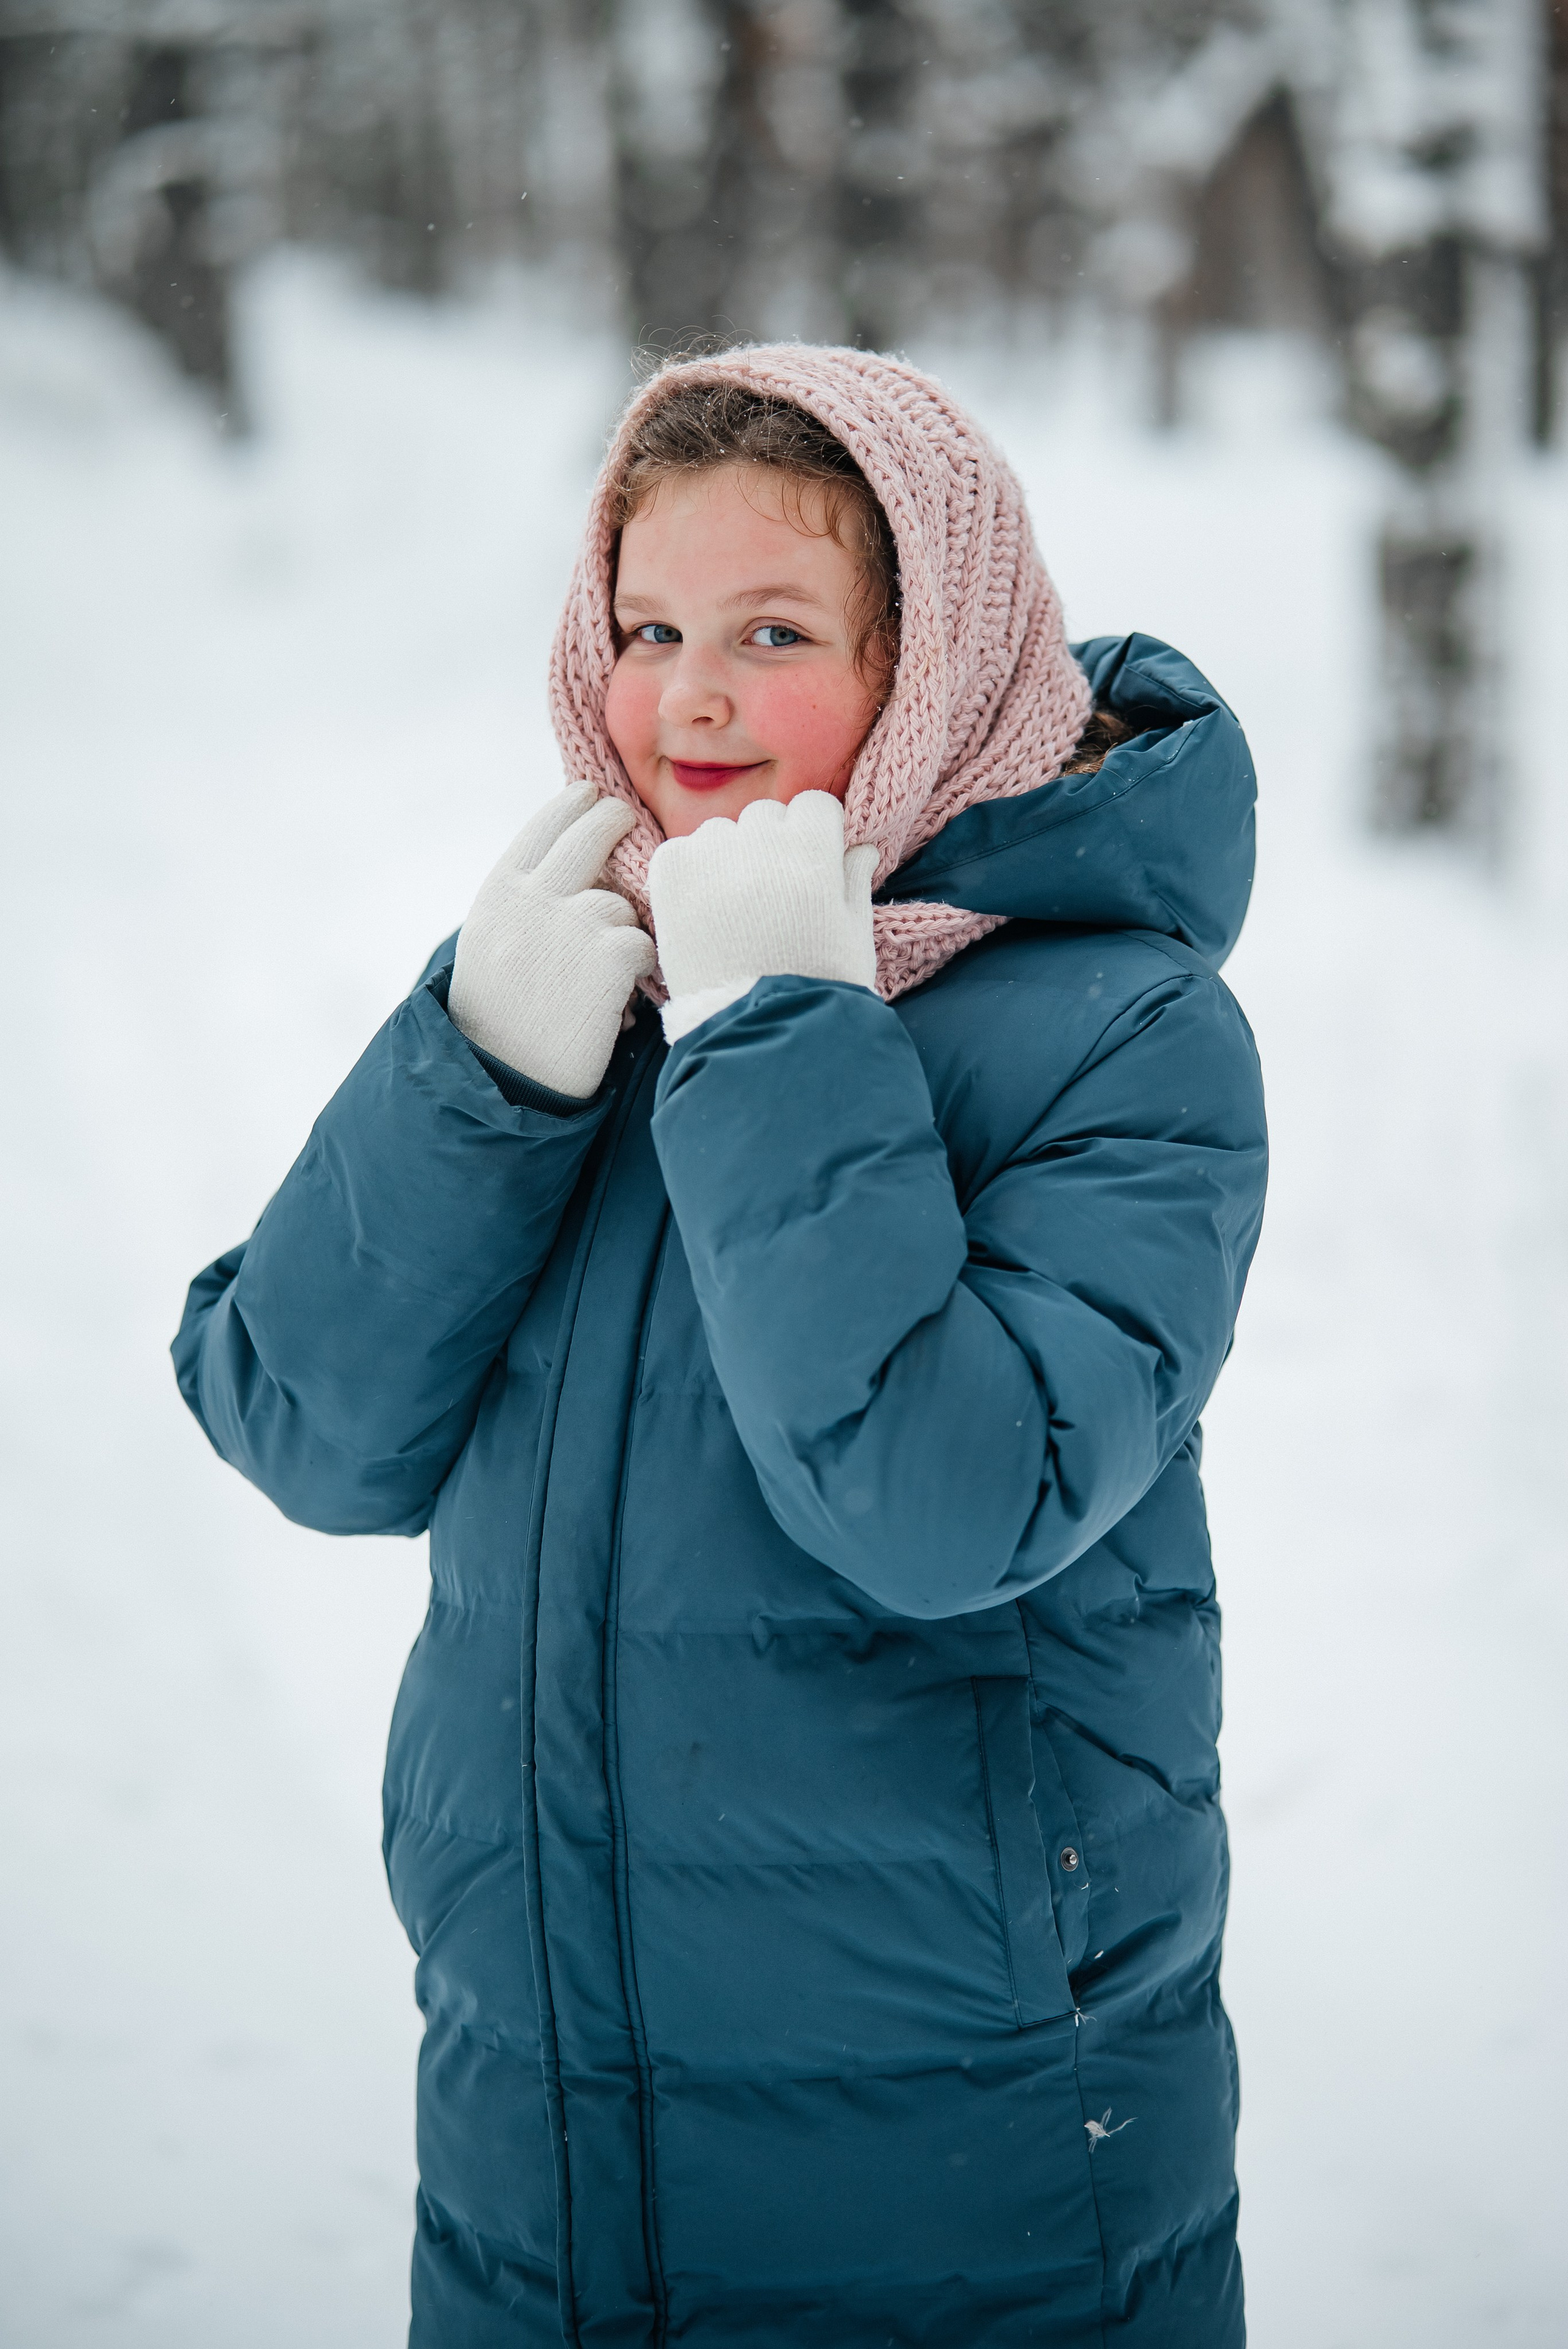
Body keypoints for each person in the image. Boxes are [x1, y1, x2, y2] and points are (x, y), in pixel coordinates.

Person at [173, 345, 1267, 2347]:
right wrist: (477, 1073)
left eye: (773, 631)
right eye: (649, 626)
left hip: (978, 2167)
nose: (688, 696)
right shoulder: (584, 972)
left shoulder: (1119, 1035)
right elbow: (303, 1422)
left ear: (929, 656)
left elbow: (946, 1502)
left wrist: (780, 1034)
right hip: (543, 2138)